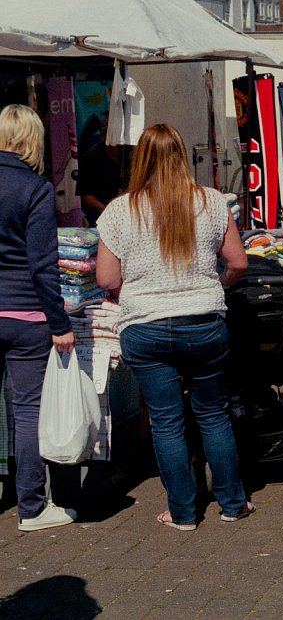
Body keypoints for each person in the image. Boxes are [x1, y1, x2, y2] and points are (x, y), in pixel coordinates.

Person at [96, 123, 252, 531]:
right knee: (214, 415)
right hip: (203, 321)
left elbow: (107, 280)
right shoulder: (212, 203)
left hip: (144, 326)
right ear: (183, 156)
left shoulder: (119, 210)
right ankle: (234, 504)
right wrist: (212, 287)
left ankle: (182, 513)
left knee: (166, 421)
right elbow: (238, 263)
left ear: (140, 159)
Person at [0, 104, 78, 532]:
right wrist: (60, 324)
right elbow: (43, 265)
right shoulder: (35, 188)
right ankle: (30, 507)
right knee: (27, 410)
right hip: (25, 312)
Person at [78, 139, 130, 227]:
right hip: (97, 211)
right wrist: (105, 208)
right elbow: (86, 194)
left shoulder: (130, 153)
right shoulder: (91, 156)